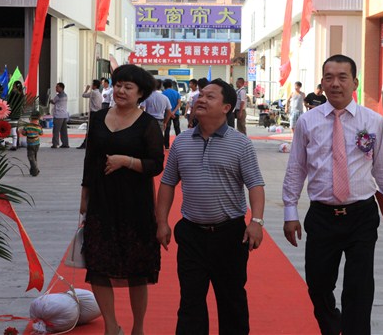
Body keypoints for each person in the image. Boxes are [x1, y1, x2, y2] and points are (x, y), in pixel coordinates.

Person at [281, 54, 383, 335]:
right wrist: (290, 212)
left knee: (359, 288)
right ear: (322, 83)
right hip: (322, 216)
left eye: (342, 77)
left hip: (361, 215)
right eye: (329, 78)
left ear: (354, 83)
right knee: (318, 284)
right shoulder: (307, 122)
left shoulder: (373, 122)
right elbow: (296, 168)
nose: (335, 83)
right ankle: (332, 324)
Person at [156, 79, 266, 335]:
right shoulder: (181, 142)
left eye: (210, 97)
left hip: (230, 235)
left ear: (226, 107)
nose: (201, 100)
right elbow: (167, 183)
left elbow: (255, 185)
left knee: (232, 301)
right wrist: (161, 222)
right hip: (191, 234)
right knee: (190, 301)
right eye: (201, 95)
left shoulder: (241, 144)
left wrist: (256, 222)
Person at [79, 64, 164, 335]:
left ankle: (138, 328)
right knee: (98, 265)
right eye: (118, 85)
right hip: (101, 200)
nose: (121, 91)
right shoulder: (98, 117)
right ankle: (111, 326)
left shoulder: (148, 124)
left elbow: (156, 164)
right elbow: (90, 159)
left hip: (135, 203)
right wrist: (84, 197)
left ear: (140, 93)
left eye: (128, 87)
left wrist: (126, 161)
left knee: (137, 269)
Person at [78, 80, 103, 149]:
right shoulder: (98, 93)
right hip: (97, 112)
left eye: (92, 84)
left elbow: (84, 95)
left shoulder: (93, 92)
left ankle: (86, 144)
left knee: (90, 129)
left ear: (95, 86)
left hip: (93, 113)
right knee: (94, 129)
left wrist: (86, 89)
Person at [20, 110, 43, 176]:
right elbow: (41, 133)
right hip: (37, 144)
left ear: (30, 118)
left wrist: (21, 131)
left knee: (30, 157)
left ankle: (35, 170)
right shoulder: (39, 126)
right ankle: (32, 170)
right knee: (34, 157)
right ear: (38, 119)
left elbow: (24, 133)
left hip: (30, 144)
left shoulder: (27, 126)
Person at [162, 79, 182, 149]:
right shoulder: (176, 93)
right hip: (176, 113)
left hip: (167, 114)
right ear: (171, 85)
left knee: (167, 129)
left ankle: (167, 145)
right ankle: (179, 144)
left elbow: (164, 105)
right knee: (177, 128)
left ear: (164, 86)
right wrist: (174, 112)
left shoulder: (163, 93)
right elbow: (179, 103)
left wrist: (170, 113)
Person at [49, 82, 69, 148]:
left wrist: (49, 100)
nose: (56, 88)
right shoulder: (65, 95)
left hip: (58, 115)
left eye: (57, 87)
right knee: (64, 131)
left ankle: (55, 144)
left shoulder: (58, 96)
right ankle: (65, 143)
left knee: (56, 130)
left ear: (61, 88)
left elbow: (53, 101)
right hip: (64, 115)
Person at [7, 81, 25, 150]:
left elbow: (8, 102)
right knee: (15, 128)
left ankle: (14, 145)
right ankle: (17, 143)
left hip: (12, 113)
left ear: (15, 86)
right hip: (18, 113)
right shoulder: (21, 94)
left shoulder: (13, 93)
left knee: (13, 129)